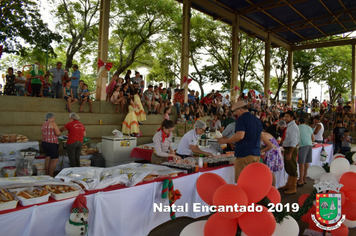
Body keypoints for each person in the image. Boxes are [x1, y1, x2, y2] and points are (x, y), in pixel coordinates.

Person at [217, 101, 263, 182]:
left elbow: (240, 136)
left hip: (244, 154)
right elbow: (261, 136)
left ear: (240, 109)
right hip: (256, 153)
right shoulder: (256, 119)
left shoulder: (241, 119)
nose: (236, 113)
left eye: (236, 111)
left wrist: (225, 140)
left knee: (242, 181)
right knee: (252, 180)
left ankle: (243, 195)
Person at [279, 110, 300, 195]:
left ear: (292, 117)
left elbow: (294, 141)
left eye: (287, 116)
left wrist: (290, 153)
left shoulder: (293, 127)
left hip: (291, 148)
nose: (285, 118)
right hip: (288, 148)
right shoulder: (288, 126)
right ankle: (289, 184)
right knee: (288, 167)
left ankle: (293, 187)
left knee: (292, 167)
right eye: (285, 116)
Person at [41, 112, 61, 177]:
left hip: (44, 142)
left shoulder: (43, 124)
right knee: (55, 159)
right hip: (51, 143)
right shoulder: (52, 123)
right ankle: (51, 175)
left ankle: (46, 175)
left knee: (48, 158)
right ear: (51, 117)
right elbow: (57, 133)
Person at [297, 118, 315, 186]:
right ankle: (304, 179)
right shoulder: (309, 127)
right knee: (306, 163)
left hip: (303, 145)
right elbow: (313, 139)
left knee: (301, 163)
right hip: (310, 145)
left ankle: (301, 180)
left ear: (299, 122)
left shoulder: (297, 127)